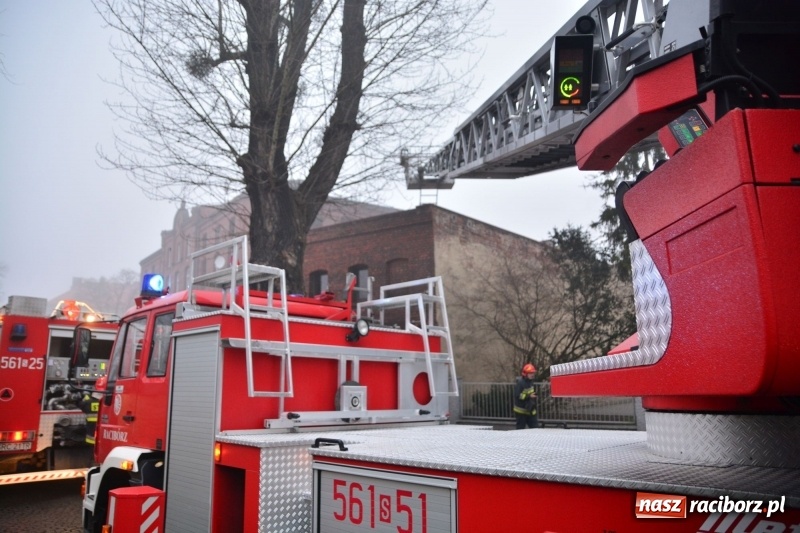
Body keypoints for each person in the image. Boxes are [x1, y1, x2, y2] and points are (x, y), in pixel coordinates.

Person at [513, 363, 539, 429]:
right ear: (525, 374)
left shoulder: (530, 382)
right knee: (520, 430)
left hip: (530, 410)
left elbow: (530, 393)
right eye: (530, 373)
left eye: (533, 373)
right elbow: (518, 396)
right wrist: (529, 396)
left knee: (535, 429)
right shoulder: (520, 383)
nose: (532, 375)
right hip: (521, 411)